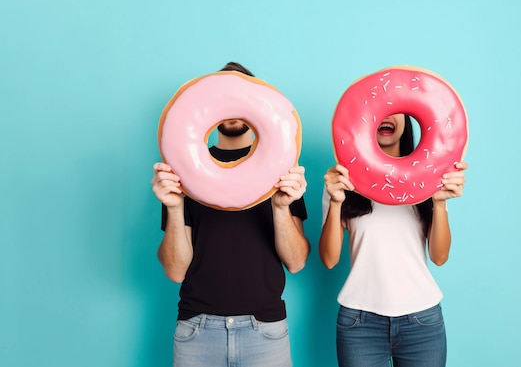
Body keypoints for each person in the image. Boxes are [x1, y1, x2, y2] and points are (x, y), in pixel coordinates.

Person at [152, 62, 310, 367]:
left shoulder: (283, 170)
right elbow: (175, 271)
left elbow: (297, 261)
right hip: (197, 331)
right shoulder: (182, 171)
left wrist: (280, 207)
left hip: (264, 331)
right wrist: (173, 206)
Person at [319, 113, 468, 367]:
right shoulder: (343, 180)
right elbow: (329, 259)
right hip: (359, 323)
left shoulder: (429, 176)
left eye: (394, 109)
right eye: (378, 109)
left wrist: (439, 202)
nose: (385, 115)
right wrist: (335, 202)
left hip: (422, 322)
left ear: (408, 121)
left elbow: (440, 257)